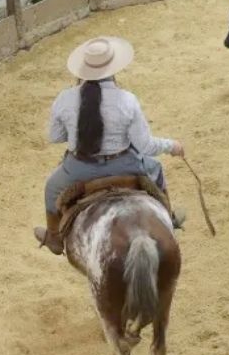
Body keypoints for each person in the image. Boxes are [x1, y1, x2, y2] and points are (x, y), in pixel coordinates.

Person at [36, 36, 185, 252]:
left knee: (51, 188)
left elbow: (54, 137)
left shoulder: (65, 98)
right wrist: (172, 146)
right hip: (124, 165)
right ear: (113, 68)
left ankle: (55, 238)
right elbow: (145, 146)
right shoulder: (127, 99)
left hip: (79, 169)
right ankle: (169, 220)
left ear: (82, 69)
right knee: (157, 169)